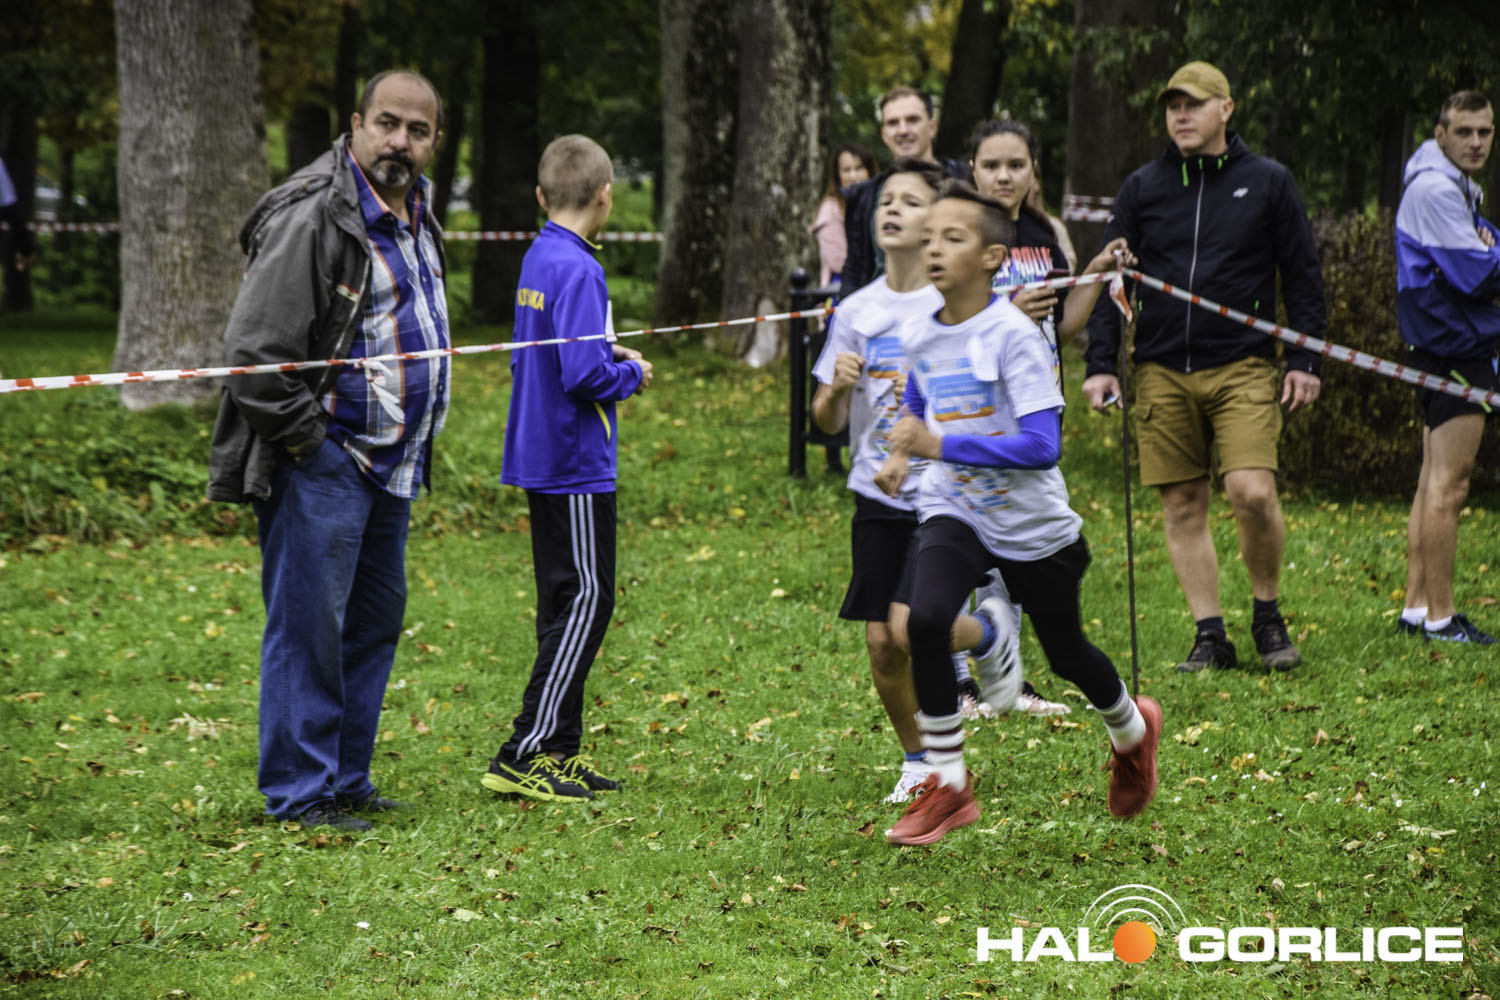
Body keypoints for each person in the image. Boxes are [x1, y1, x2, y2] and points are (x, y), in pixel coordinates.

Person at [874, 182, 1161, 845]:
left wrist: (938, 444)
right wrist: (901, 451)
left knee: (1067, 655)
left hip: (1032, 527)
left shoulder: (1013, 335)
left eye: (954, 238)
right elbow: (920, 394)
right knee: (924, 620)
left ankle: (1132, 730)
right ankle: (948, 784)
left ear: (992, 257)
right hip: (955, 507)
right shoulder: (920, 329)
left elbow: (1042, 446)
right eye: (930, 237)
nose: (934, 248)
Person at [207, 70, 450, 832]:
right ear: (355, 125)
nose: (399, 141)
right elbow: (255, 356)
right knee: (308, 629)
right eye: (387, 123)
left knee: (371, 624)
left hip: (391, 466)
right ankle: (299, 794)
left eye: (417, 130)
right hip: (327, 459)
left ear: (434, 142)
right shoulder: (315, 214)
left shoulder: (416, 211)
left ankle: (345, 779)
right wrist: (312, 445)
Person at [1080, 60, 1328, 674]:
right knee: (1184, 504)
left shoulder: (1268, 181)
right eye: (1173, 106)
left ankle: (1267, 617)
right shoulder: (1142, 187)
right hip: (1160, 367)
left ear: (1226, 108)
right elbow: (1113, 275)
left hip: (1242, 364)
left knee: (1252, 492)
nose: (1181, 115)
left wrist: (1305, 358)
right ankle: (1210, 635)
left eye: (1193, 104)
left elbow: (1302, 275)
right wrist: (1100, 362)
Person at [811, 158, 1026, 804]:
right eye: (886, 201)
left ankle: (989, 634)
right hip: (876, 493)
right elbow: (824, 420)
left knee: (908, 630)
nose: (893, 210)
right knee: (881, 644)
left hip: (945, 492)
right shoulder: (856, 310)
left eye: (910, 201)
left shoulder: (954, 307)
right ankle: (919, 761)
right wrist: (836, 389)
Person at [481, 134, 653, 803]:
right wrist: (630, 373)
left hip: (540, 452)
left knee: (562, 601)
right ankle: (525, 749)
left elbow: (559, 352)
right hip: (574, 460)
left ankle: (559, 751)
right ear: (605, 197)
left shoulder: (540, 254)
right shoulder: (580, 268)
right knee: (588, 598)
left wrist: (608, 354)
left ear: (540, 196)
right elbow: (583, 373)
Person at [1395, 90, 1500, 645]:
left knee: (1430, 482)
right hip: (1457, 347)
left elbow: (1484, 254)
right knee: (1449, 489)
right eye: (1464, 132)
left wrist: (1489, 246)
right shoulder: (1437, 188)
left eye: (1485, 131)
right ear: (1441, 135)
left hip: (1442, 343)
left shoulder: (1447, 183)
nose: (1476, 142)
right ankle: (1442, 618)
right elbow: (1477, 275)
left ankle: (1416, 610)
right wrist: (1487, 253)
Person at [970, 118, 1135, 388]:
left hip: (1042, 394)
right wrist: (1010, 316)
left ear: (1033, 170)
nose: (1003, 177)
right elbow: (944, 330)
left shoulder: (1044, 234)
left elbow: (1060, 329)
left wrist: (1096, 270)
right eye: (990, 166)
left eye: (1016, 165)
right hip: (983, 399)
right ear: (973, 170)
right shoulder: (959, 235)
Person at [839, 87, 970, 296]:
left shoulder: (968, 181)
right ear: (884, 134)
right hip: (883, 308)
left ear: (932, 127)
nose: (902, 130)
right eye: (893, 123)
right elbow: (855, 267)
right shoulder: (863, 196)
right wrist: (847, 310)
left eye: (912, 120)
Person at [810, 143, 877, 289]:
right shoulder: (831, 209)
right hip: (843, 286)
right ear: (838, 175)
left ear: (869, 170)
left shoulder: (880, 202)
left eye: (859, 168)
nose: (853, 176)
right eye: (846, 170)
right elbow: (836, 261)